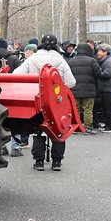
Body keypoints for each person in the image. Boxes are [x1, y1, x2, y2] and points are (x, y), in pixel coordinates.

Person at [18, 34, 77, 170]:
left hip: (37, 99)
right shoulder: (61, 61)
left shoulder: (32, 59)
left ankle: (39, 162)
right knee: (58, 130)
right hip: (56, 101)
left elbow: (17, 74)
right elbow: (71, 82)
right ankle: (57, 162)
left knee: (39, 130)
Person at [68, 43, 101, 132]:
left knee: (76, 109)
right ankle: (88, 127)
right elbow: (98, 74)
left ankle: (75, 127)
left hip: (75, 90)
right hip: (89, 90)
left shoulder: (71, 61)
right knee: (88, 109)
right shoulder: (92, 61)